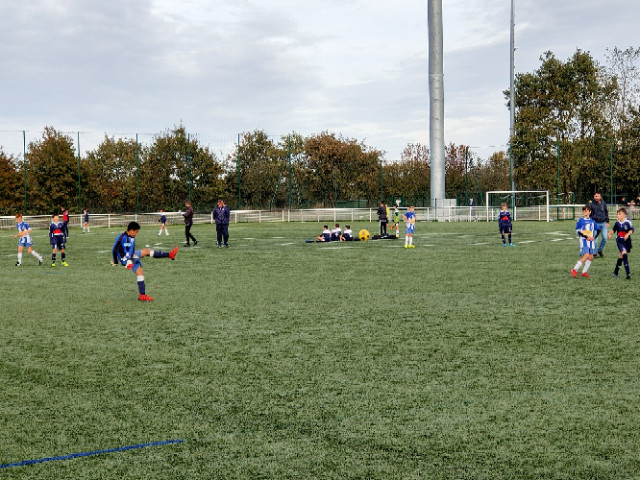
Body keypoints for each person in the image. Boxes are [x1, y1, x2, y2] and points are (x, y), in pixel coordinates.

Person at [111, 221, 179, 301]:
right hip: (124, 258)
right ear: (132, 230)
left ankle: (142, 296)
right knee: (147, 251)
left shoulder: (132, 238)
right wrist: (116, 261)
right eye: (136, 232)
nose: (136, 234)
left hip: (130, 257)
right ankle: (170, 255)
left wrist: (131, 258)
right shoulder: (121, 237)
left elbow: (132, 249)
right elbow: (114, 250)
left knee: (140, 273)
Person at [571, 205, 600, 278]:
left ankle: (584, 272)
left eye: (586, 210)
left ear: (590, 212)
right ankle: (575, 269)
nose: (585, 212)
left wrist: (594, 237)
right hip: (584, 240)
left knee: (591, 257)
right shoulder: (580, 220)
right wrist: (586, 237)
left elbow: (598, 230)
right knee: (586, 255)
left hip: (591, 242)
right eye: (583, 210)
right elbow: (578, 231)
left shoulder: (593, 221)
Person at [608, 207, 634, 279]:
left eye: (619, 214)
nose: (617, 215)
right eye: (617, 214)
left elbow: (631, 230)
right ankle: (628, 273)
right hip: (620, 241)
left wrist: (627, 234)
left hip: (627, 242)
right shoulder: (617, 223)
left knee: (621, 256)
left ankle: (616, 271)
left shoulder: (628, 222)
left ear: (624, 215)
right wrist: (609, 233)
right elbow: (613, 230)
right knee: (624, 254)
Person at [589, 192, 609, 257]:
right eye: (595, 196)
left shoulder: (603, 203)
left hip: (603, 223)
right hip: (595, 223)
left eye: (597, 196)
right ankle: (594, 253)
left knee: (605, 238)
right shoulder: (591, 204)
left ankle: (600, 250)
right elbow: (589, 214)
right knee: (595, 239)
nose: (596, 197)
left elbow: (606, 212)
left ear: (600, 197)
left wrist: (607, 221)